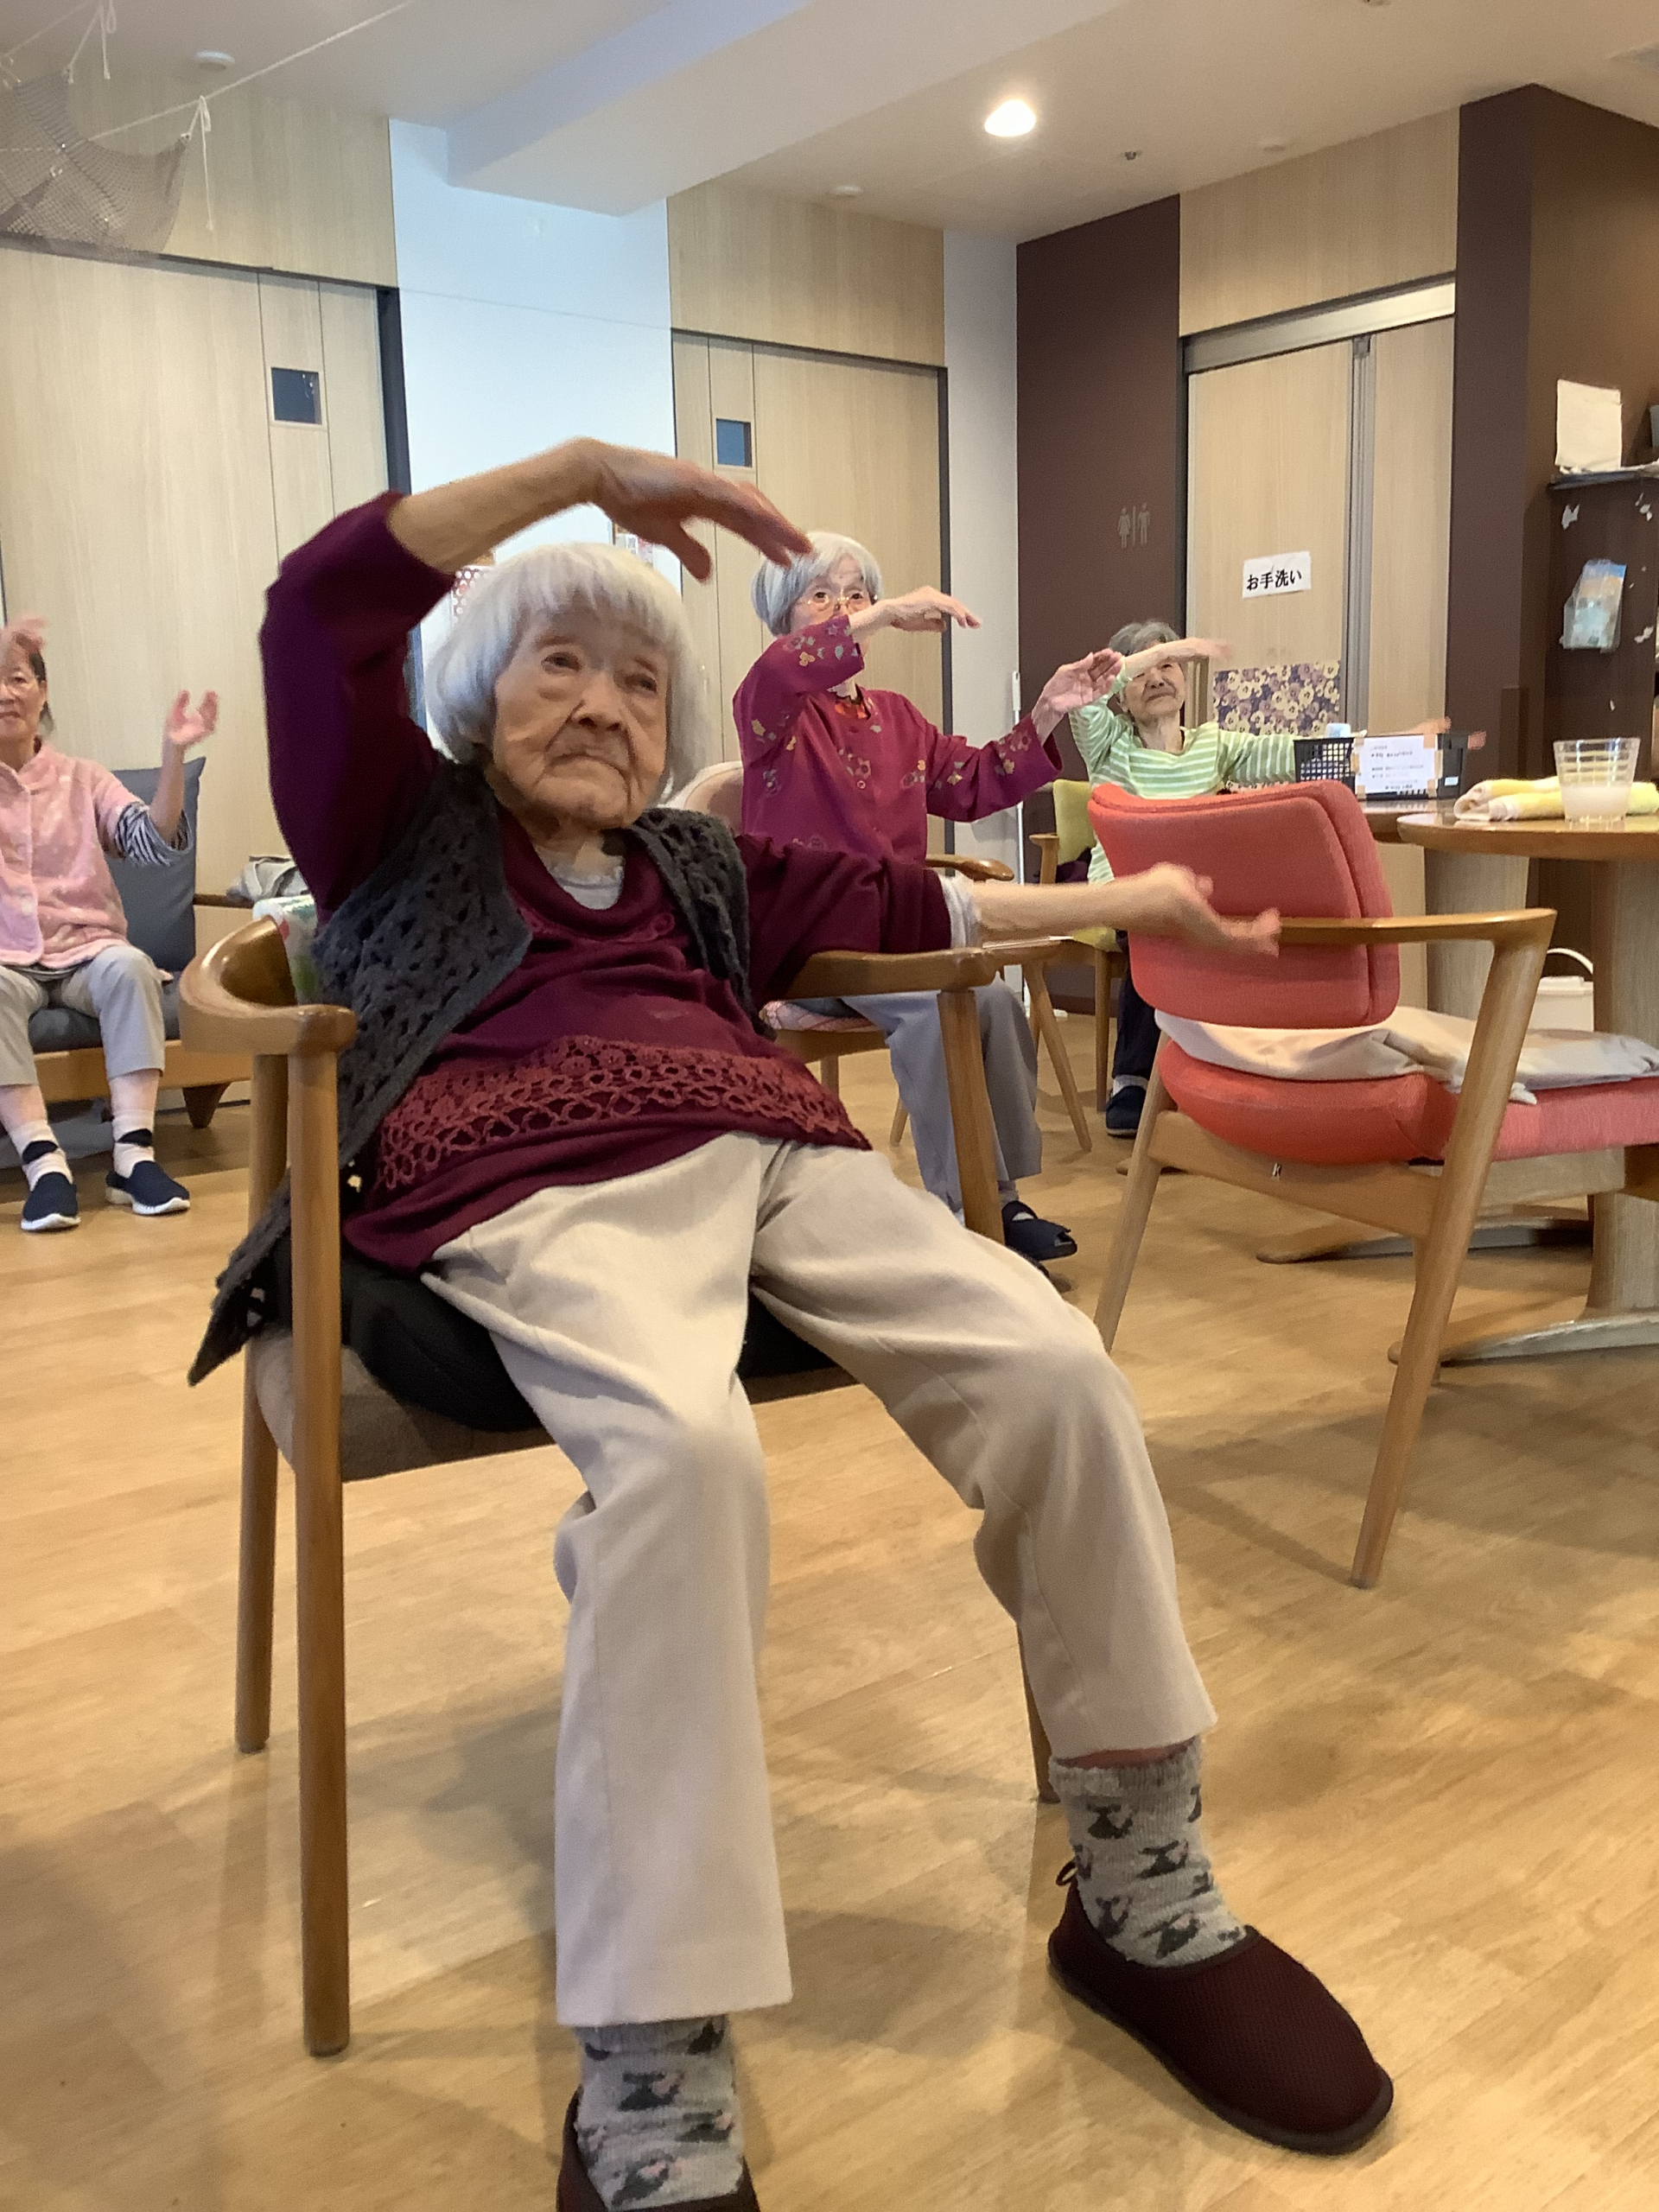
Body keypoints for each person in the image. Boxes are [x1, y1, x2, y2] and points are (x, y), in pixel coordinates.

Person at [193, 439, 1389, 2212]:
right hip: (535, 1177)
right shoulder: (393, 820)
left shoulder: (695, 864)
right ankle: (653, 2048)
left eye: (639, 679)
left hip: (771, 1151)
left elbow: (929, 903)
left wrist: (1135, 901)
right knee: (684, 1461)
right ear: (477, 692)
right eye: (560, 663)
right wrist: (582, 476)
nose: (605, 705)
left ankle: (1142, 1886)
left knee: (1059, 1370)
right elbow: (320, 608)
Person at [739, 532, 1122, 1266]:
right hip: (807, 942)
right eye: (820, 596)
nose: (843, 609)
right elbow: (783, 669)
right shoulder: (773, 710)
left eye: (857, 594)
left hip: (898, 937)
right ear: (784, 617)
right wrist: (883, 613)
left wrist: (1047, 711)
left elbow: (975, 783)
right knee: (933, 1001)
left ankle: (997, 1195)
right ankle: (971, 1209)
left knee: (993, 999)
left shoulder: (898, 717)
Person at [1071, 620, 1446, 1136]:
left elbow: (1296, 753)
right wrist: (1176, 648)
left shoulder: (1214, 744)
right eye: (1142, 670)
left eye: (1169, 665)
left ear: (1185, 681)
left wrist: (1392, 744)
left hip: (1202, 894)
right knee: (1157, 934)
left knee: (1246, 933)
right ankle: (1133, 1080)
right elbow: (1086, 692)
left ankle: (1236, 1071)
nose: (1156, 676)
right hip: (1127, 894)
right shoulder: (1107, 744)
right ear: (1122, 696)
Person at [0, 612, 218, 1230]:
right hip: (6, 961)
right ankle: (45, 1166)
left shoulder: (83, 778)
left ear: (42, 691)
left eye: (17, 678)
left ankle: (133, 1158)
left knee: (130, 967)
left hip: (87, 950)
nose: (5, 694)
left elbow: (150, 841)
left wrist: (172, 754)